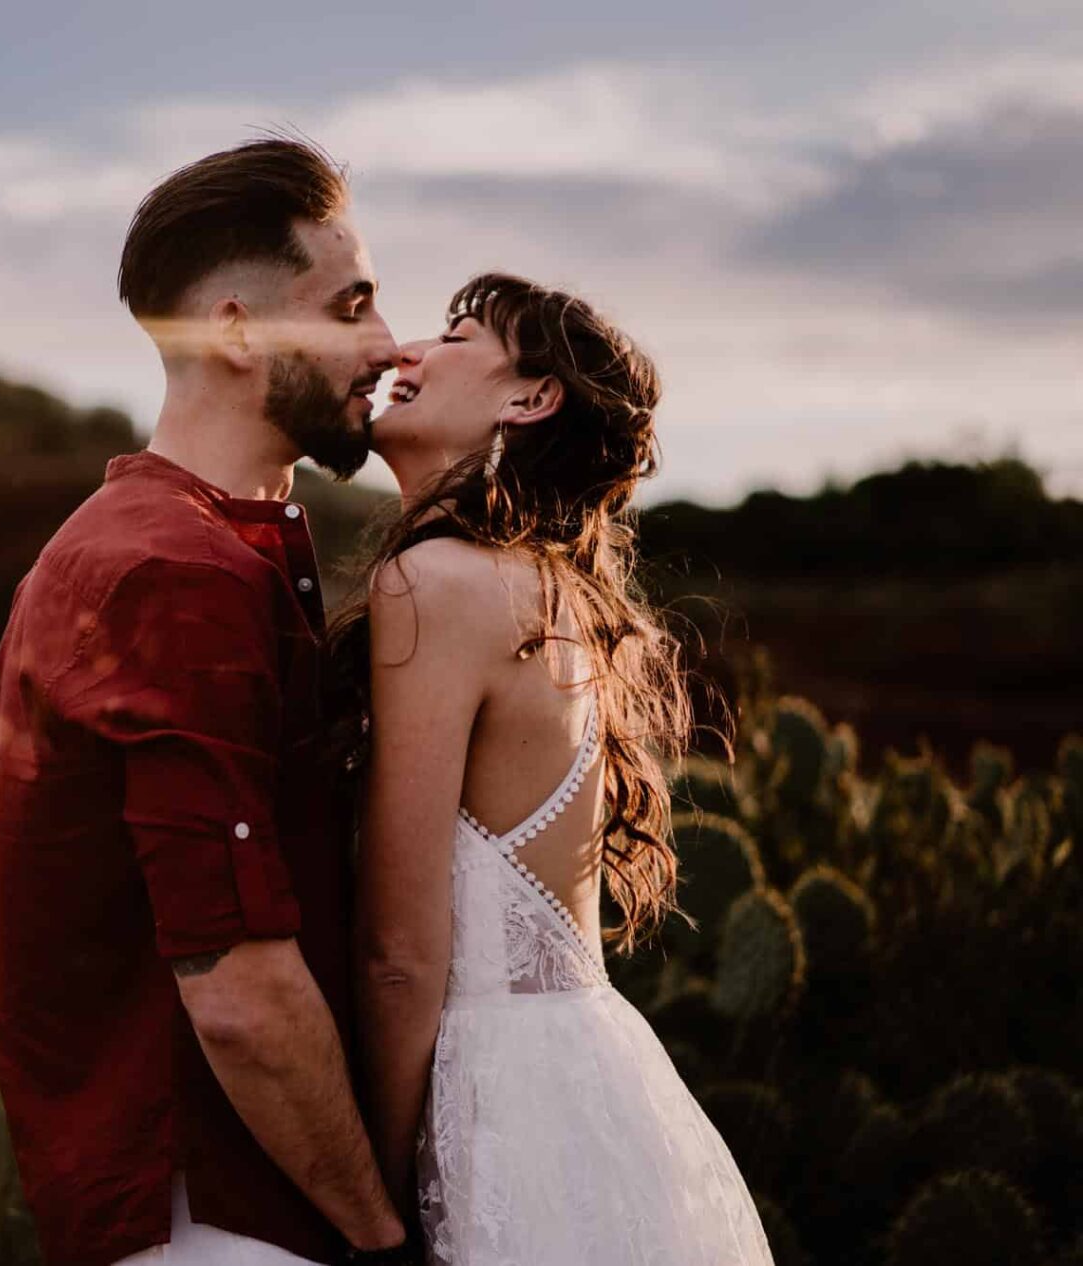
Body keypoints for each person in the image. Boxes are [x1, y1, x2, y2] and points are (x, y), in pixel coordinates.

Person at [0, 137, 421, 1266]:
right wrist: (376, 1237)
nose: (387, 345)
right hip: (217, 1216)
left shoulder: (164, 545)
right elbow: (237, 989)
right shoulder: (177, 575)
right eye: (351, 305)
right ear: (233, 329)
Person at [336, 272, 776, 1264]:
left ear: (529, 399)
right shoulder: (549, 593)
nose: (405, 352)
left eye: (452, 337)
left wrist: (372, 1194)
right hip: (596, 1099)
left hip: (500, 1121)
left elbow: (399, 953)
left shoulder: (437, 582)